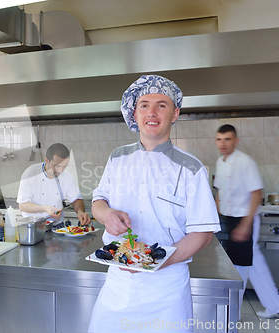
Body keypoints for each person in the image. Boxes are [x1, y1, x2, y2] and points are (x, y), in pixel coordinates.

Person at [88, 75, 220, 332]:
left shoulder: (191, 168)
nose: (152, 112)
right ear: (135, 114)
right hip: (117, 284)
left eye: (162, 105)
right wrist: (108, 214)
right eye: (144, 105)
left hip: (166, 292)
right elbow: (98, 202)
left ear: (175, 114)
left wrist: (154, 261)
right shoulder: (118, 158)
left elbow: (203, 234)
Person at [214, 124, 279, 319]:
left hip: (245, 218)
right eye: (220, 139)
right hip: (231, 219)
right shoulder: (220, 162)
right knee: (253, 263)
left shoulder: (245, 162)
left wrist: (245, 225)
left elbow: (257, 194)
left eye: (227, 139)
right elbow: (220, 193)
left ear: (236, 141)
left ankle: (233, 313)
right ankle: (275, 306)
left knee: (239, 266)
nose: (223, 143)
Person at [17, 143, 91, 225]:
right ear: (47, 160)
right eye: (57, 166)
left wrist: (80, 212)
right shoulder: (30, 174)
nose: (60, 170)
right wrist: (45, 208)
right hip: (33, 227)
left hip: (57, 226)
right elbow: (23, 205)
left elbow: (76, 200)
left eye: (64, 166)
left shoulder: (68, 177)